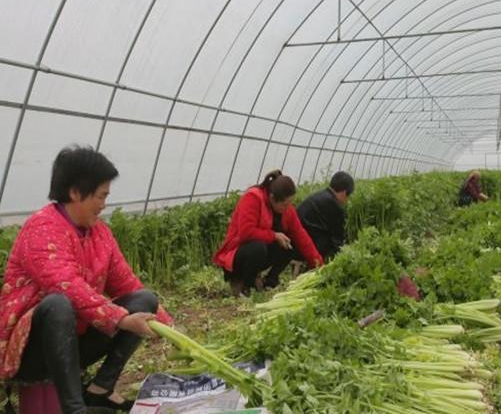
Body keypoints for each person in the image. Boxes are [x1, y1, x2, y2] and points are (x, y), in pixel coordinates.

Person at [0, 146, 172, 414]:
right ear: (76, 192)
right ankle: (74, 409)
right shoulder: (42, 228)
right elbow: (65, 284)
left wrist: (167, 325)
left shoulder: (99, 233)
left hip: (72, 343)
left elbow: (127, 283)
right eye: (101, 196)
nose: (104, 204)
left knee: (144, 300)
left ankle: (100, 390)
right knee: (58, 303)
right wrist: (121, 319)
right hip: (30, 350)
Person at [213, 170, 323, 295]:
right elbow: (246, 232)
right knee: (258, 248)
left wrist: (319, 266)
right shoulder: (253, 198)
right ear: (272, 197)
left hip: (259, 253)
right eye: (284, 204)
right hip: (238, 255)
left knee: (290, 245)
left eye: (289, 204)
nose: (287, 208)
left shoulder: (287, 210)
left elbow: (301, 236)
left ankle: (270, 282)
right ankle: (244, 285)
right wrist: (274, 236)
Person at [297, 171, 354, 262]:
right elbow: (338, 239)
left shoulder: (321, 195)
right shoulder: (335, 206)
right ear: (344, 193)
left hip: (295, 241)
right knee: (331, 243)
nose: (346, 200)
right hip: (306, 247)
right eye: (348, 196)